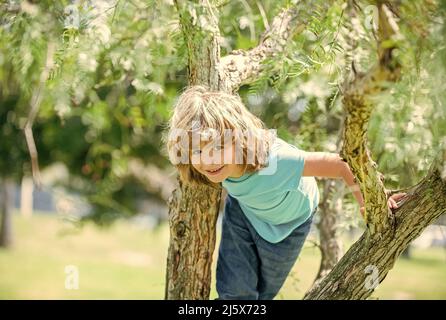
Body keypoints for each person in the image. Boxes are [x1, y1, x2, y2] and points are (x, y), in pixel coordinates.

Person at [164, 85, 405, 300]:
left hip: (289, 225)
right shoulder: (207, 168)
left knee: (264, 293)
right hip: (243, 212)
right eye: (197, 151)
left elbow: (342, 164)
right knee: (235, 294)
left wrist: (370, 202)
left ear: (239, 139)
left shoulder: (276, 160)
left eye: (217, 147)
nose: (208, 161)